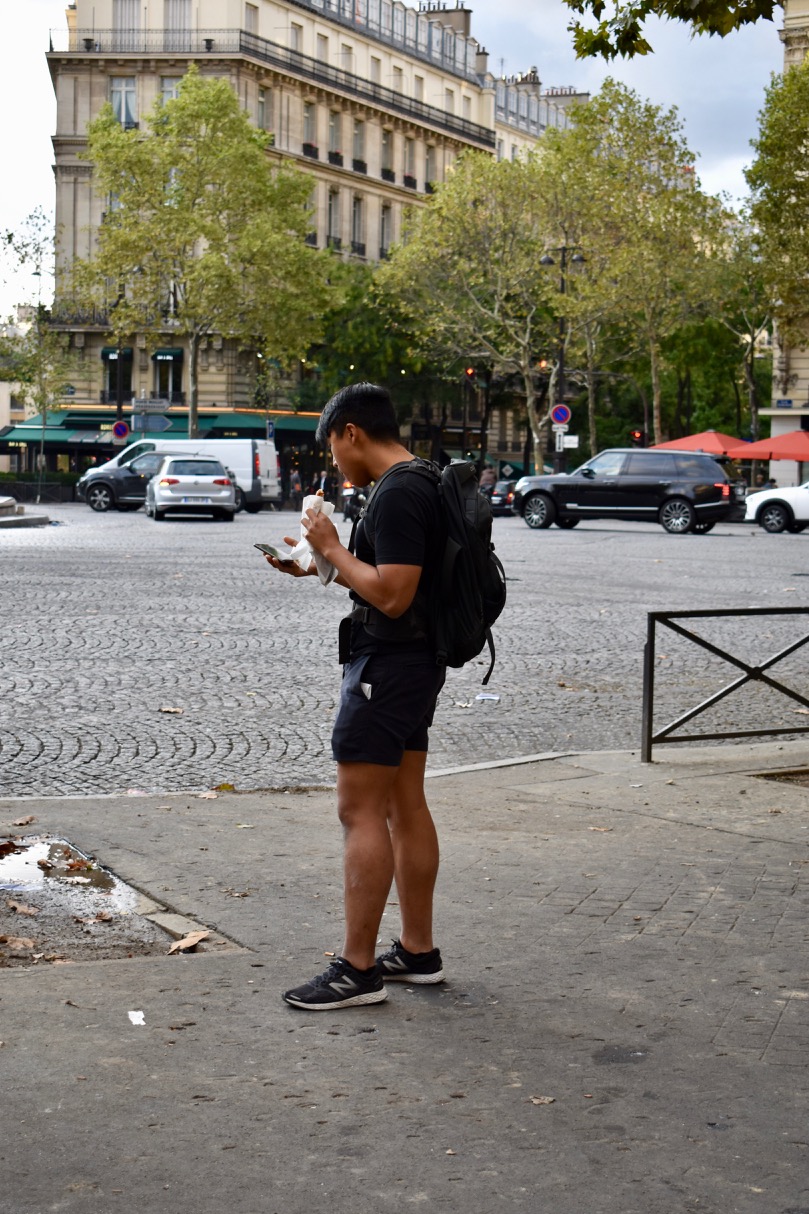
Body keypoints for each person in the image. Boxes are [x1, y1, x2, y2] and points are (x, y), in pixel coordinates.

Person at [264, 383, 446, 1010]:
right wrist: (320, 562)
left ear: (351, 432)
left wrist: (331, 545)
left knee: (359, 809)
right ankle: (417, 952)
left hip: (387, 667)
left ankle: (358, 970)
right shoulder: (425, 479)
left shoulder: (396, 493)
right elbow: (394, 582)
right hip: (415, 662)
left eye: (333, 447)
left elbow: (392, 594)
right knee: (403, 803)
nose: (335, 461)